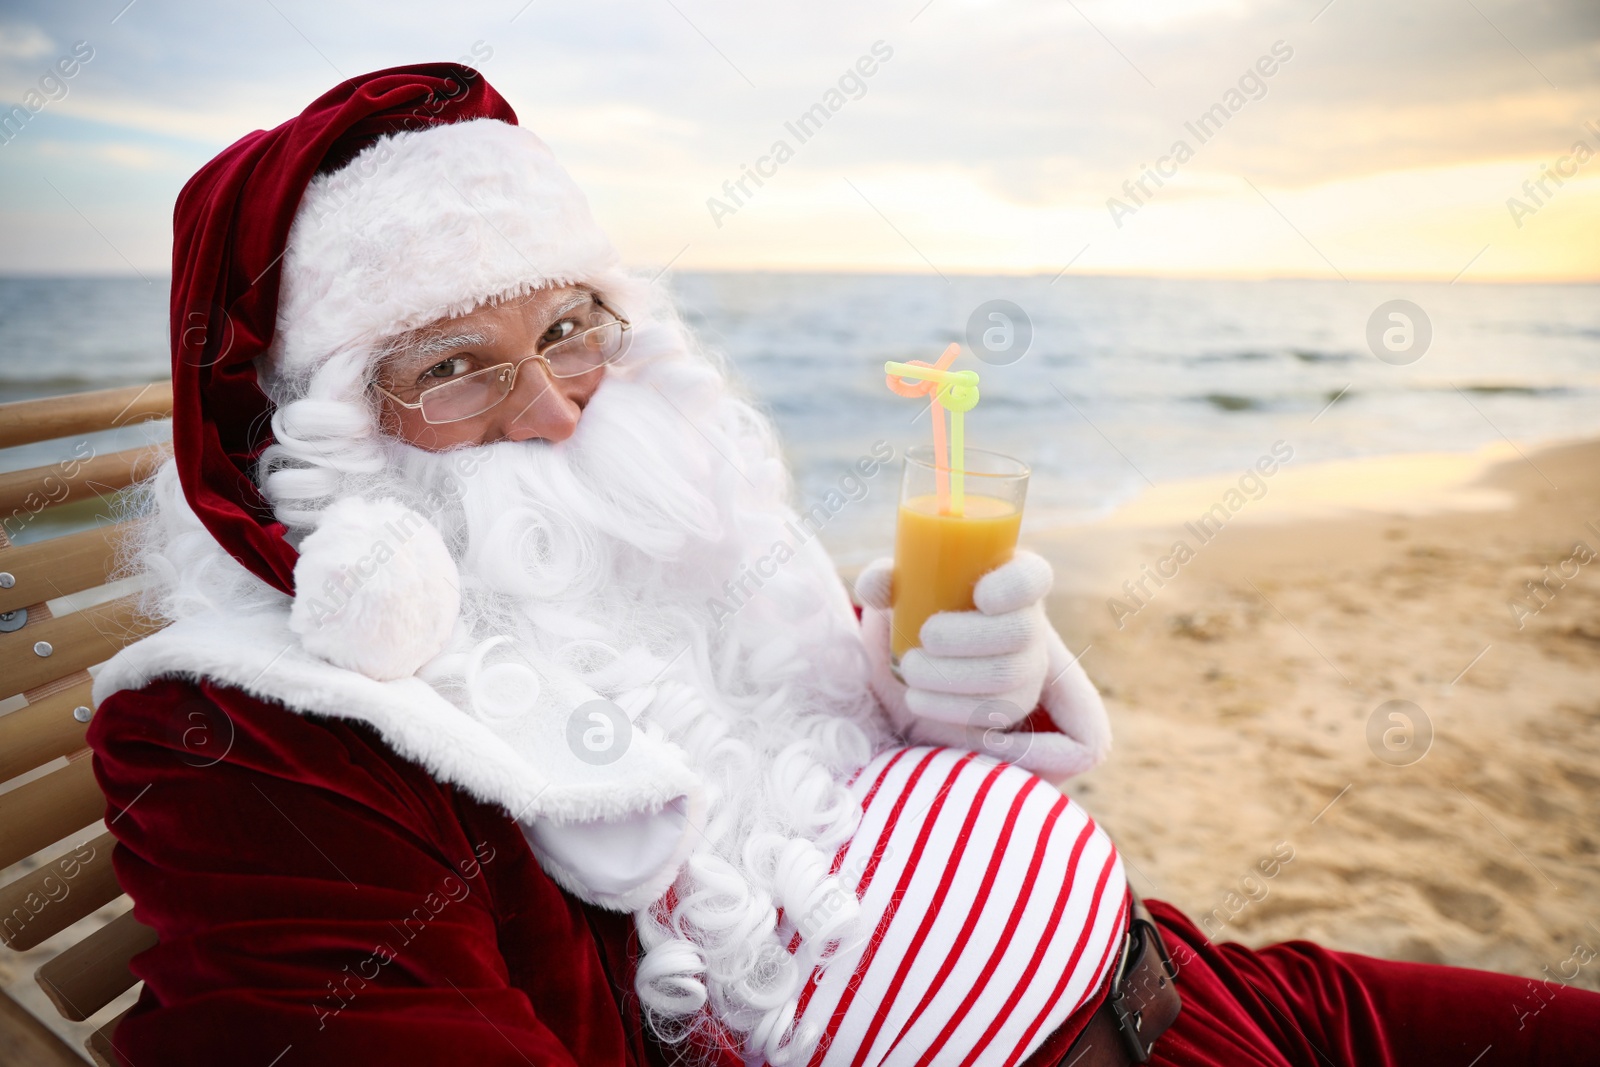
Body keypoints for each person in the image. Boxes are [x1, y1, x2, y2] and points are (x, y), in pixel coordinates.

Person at [87, 64, 1598, 1067]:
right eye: (452, 368)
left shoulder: (675, 525)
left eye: (568, 328)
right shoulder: (259, 738)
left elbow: (818, 769)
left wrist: (958, 702)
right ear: (337, 427)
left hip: (1207, 983)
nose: (553, 409)